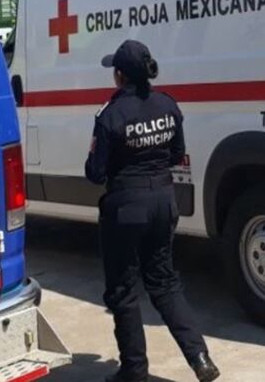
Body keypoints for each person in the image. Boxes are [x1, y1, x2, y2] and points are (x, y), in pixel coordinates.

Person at [85, 39, 220, 382]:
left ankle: (134, 370)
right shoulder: (168, 105)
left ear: (120, 76)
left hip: (127, 208)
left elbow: (95, 173)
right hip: (164, 201)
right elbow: (176, 154)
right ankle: (200, 357)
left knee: (123, 290)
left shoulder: (110, 114)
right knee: (165, 284)